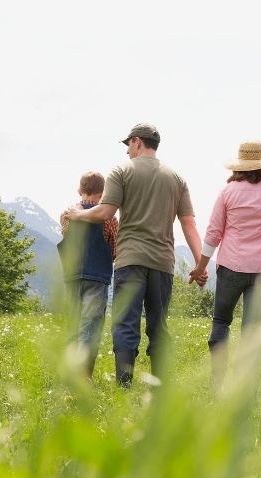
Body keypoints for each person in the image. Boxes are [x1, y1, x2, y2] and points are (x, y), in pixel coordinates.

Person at [64, 123, 206, 385]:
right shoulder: (177, 178)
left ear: (138, 142)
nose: (127, 150)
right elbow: (189, 224)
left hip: (130, 260)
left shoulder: (121, 171)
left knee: (126, 323)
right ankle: (160, 387)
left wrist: (77, 214)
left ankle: (124, 385)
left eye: (128, 144)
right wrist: (200, 263)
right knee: (157, 325)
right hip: (163, 262)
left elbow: (105, 212)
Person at [189, 141, 261, 387]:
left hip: (231, 267)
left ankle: (218, 381)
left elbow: (213, 233)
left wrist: (201, 267)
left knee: (221, 322)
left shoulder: (228, 192)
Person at [58, 171, 118, 378]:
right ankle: (83, 376)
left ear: (79, 190)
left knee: (72, 323)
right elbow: (114, 249)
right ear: (103, 194)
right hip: (97, 276)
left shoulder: (66, 215)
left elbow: (66, 238)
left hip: (72, 276)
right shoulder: (109, 219)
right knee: (90, 326)